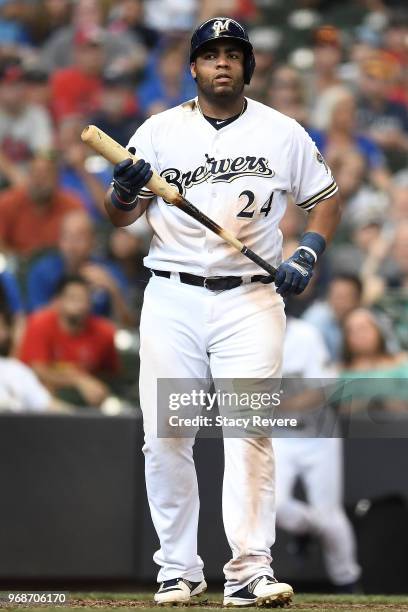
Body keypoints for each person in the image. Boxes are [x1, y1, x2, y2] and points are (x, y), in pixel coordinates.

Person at [103, 17, 341, 607]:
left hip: (251, 297)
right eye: (211, 55)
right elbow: (118, 217)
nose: (222, 63)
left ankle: (250, 571)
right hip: (172, 294)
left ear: (248, 66)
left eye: (233, 54)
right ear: (194, 67)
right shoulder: (157, 131)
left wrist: (308, 250)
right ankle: (178, 569)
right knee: (166, 433)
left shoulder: (282, 132)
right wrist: (126, 188)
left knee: (250, 431)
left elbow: (325, 198)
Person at [273, 315, 361, 592]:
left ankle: (347, 580)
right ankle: (306, 528)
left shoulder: (305, 334)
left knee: (330, 516)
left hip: (318, 435)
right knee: (272, 506)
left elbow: (324, 390)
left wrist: (274, 405)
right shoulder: (246, 333)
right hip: (279, 436)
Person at [19, 275, 119, 408]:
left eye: (84, 299)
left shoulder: (104, 332)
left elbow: (111, 374)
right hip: (39, 397)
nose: (79, 304)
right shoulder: (39, 323)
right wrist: (79, 380)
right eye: (72, 298)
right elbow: (38, 370)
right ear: (58, 301)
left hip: (86, 401)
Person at [26, 210, 133, 327]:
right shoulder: (43, 271)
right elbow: (35, 321)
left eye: (79, 238)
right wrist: (69, 300)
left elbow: (127, 324)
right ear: (59, 240)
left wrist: (112, 288)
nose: (72, 245)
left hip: (97, 338)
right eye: (67, 237)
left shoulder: (108, 271)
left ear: (93, 242)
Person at [0, 153, 83, 257]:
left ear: (57, 179)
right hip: (17, 265)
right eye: (35, 174)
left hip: (59, 264)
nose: (39, 181)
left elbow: (81, 243)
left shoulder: (72, 206)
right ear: (28, 176)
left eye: (45, 175)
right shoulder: (7, 202)